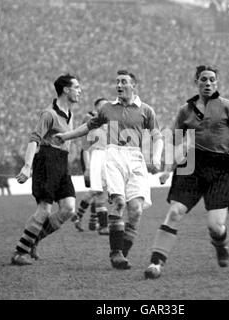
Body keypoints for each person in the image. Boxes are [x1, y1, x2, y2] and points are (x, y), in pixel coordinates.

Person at [143, 65, 229, 279]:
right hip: (192, 163)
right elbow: (176, 142)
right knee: (175, 212)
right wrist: (170, 167)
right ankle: (156, 263)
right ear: (196, 82)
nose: (208, 83)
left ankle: (221, 244)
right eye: (204, 79)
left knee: (215, 226)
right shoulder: (186, 110)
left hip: (222, 167)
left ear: (217, 83)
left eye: (212, 79)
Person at [55, 70, 163, 270]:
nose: (119, 85)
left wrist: (156, 157)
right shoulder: (107, 109)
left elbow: (158, 137)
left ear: (134, 86)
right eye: (117, 82)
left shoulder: (146, 110)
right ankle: (116, 253)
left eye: (123, 82)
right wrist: (66, 136)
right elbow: (88, 127)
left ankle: (122, 251)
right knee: (119, 202)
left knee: (136, 211)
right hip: (113, 156)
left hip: (136, 158)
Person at [10, 74, 80, 266]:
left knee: (68, 209)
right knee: (44, 210)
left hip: (62, 164)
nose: (79, 91)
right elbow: (34, 139)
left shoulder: (71, 114)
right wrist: (27, 166)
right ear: (66, 90)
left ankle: (34, 240)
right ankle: (19, 252)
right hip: (47, 161)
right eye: (77, 87)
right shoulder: (49, 114)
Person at [71, 97, 110, 235]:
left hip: (105, 160)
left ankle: (84, 217)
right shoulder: (90, 120)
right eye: (104, 106)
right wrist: (87, 167)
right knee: (98, 192)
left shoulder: (108, 123)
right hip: (95, 159)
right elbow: (86, 147)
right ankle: (99, 223)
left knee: (97, 192)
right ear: (97, 108)